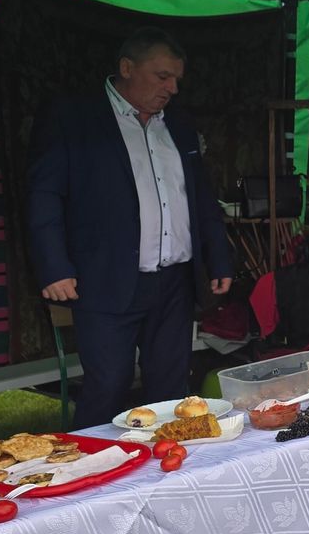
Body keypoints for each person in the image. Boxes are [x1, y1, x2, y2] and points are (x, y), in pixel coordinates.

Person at [28, 27, 233, 427]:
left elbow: (199, 195)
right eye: (162, 77)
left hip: (174, 281)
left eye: (176, 79)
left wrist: (219, 257)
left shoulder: (178, 123)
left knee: (171, 388)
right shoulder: (75, 117)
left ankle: (168, 474)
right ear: (126, 68)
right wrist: (54, 266)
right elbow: (43, 194)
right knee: (109, 385)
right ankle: (92, 477)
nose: (172, 88)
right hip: (106, 277)